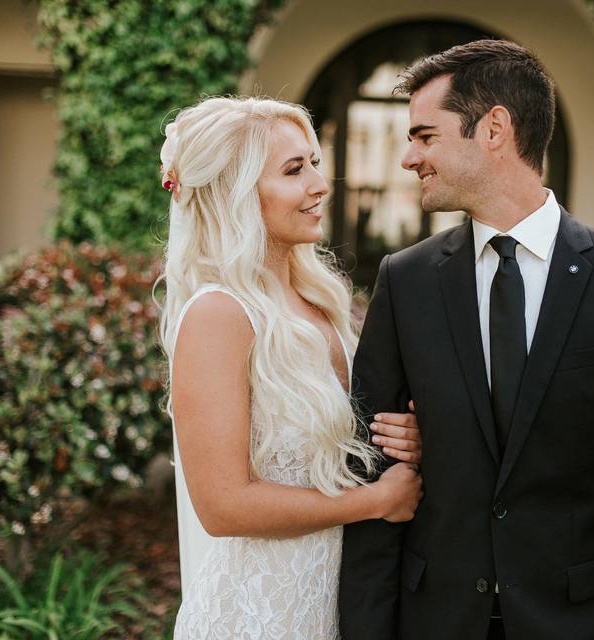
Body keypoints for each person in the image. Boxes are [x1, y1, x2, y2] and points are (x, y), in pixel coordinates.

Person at [340, 40, 594, 640]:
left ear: (495, 128)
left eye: (426, 136)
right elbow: (374, 473)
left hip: (570, 621)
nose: (408, 158)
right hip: (434, 619)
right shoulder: (406, 280)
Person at [158, 96, 424, 639]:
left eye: (315, 163)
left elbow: (342, 441)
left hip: (332, 604)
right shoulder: (218, 314)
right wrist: (373, 501)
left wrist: (406, 436)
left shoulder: (319, 300)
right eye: (294, 170)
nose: (320, 184)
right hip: (256, 616)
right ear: (236, 193)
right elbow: (223, 505)